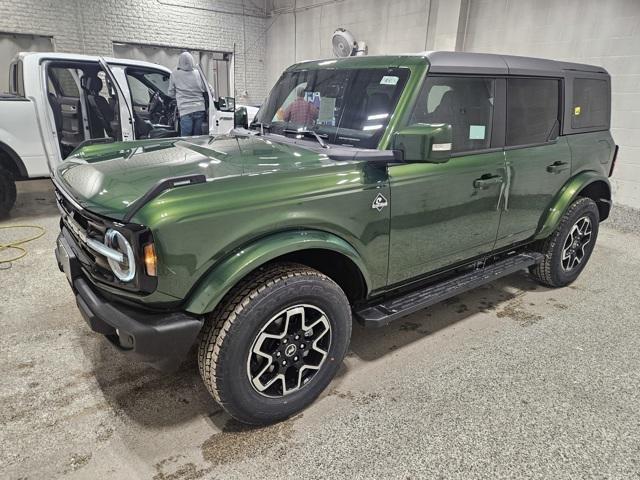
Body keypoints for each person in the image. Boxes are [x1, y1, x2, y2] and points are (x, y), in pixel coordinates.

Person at [168, 52, 207, 136]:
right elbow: (208, 89)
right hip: (199, 108)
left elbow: (170, 93)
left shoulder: (174, 74)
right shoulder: (198, 73)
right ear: (192, 61)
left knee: (186, 138)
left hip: (185, 110)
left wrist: (179, 97)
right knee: (198, 137)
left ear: (179, 62)